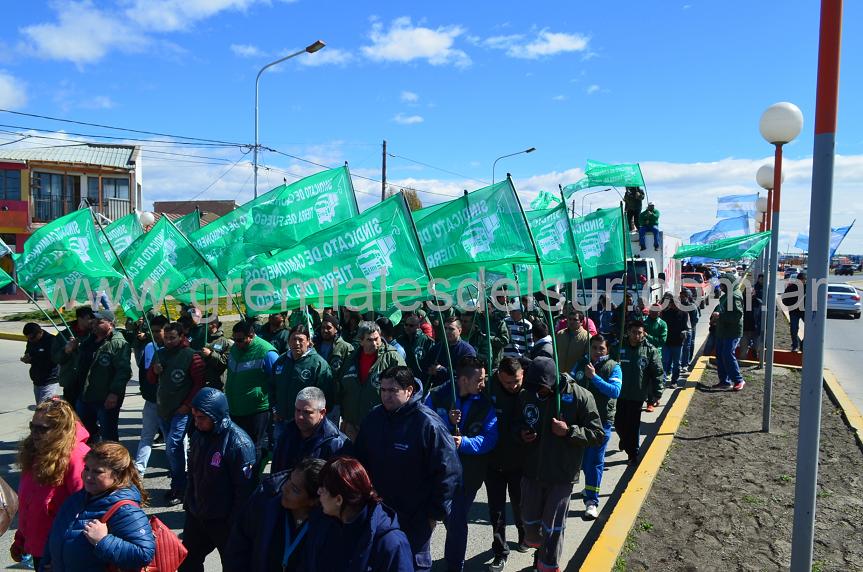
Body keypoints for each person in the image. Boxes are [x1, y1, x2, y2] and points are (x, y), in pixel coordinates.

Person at [354, 365, 461, 571]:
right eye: (383, 390)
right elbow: (359, 460)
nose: (386, 396)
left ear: (409, 390)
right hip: (378, 513)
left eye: (393, 390)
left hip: (415, 518)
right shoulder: (373, 418)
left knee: (412, 564)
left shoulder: (428, 424)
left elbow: (449, 473)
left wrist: (434, 514)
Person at [516, 357, 604, 571]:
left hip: (561, 474)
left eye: (541, 388)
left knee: (553, 526)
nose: (537, 393)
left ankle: (548, 565)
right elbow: (516, 421)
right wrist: (521, 432)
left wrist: (569, 432)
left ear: (551, 381)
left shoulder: (581, 396)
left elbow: (597, 434)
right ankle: (537, 550)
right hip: (532, 471)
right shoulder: (528, 394)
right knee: (529, 521)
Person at [426, 356, 497, 572]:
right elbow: (424, 426)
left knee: (456, 520)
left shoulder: (485, 403)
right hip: (437, 472)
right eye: (479, 380)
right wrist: (447, 423)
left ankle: (455, 565)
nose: (483, 384)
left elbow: (490, 438)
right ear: (464, 380)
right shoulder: (437, 395)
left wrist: (463, 442)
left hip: (467, 476)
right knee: (429, 518)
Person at [42, 441, 155, 571]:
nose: (88, 476)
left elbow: (144, 554)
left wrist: (103, 540)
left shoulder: (126, 510)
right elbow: (53, 534)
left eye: (97, 472)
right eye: (87, 468)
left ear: (117, 475)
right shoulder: (75, 499)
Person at [182, 388, 258, 571]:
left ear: (216, 416)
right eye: (194, 416)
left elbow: (244, 491)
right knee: (186, 561)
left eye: (201, 417)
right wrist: (189, 503)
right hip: (198, 515)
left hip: (223, 521)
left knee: (234, 566)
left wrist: (234, 524)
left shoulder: (239, 444)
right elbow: (192, 473)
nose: (196, 422)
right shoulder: (199, 435)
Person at [11, 399, 89, 570]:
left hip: (61, 550)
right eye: (32, 427)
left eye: (42, 429)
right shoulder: (34, 452)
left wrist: (64, 554)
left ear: (60, 429)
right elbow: (29, 503)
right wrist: (21, 538)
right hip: (40, 547)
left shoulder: (77, 457)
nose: (35, 433)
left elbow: (86, 510)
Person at [306, 456, 414, 571]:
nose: (318, 491)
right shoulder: (324, 526)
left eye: (323, 488)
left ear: (338, 500)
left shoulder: (391, 543)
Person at [225, 457, 325, 572]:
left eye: (295, 489)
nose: (284, 488)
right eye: (289, 479)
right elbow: (238, 546)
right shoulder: (265, 502)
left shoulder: (325, 527)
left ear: (314, 501)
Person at [149, 322, 206, 505]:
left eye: (172, 338)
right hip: (163, 409)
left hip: (181, 410)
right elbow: (150, 379)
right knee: (171, 448)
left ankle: (180, 487)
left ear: (182, 337)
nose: (168, 341)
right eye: (166, 337)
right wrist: (154, 371)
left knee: (173, 446)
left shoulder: (192, 356)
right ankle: (178, 484)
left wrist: (188, 405)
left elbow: (199, 383)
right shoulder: (160, 353)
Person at [571, 335, 622, 519]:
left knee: (594, 462)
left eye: (601, 348)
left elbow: (615, 391)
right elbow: (570, 382)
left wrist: (594, 377)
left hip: (601, 423)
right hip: (580, 421)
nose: (597, 351)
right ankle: (589, 488)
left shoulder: (614, 367)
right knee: (584, 461)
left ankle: (591, 501)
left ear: (607, 350)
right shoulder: (581, 363)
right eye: (594, 347)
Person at [485, 357, 529, 572]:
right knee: (496, 510)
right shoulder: (488, 387)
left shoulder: (528, 391)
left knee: (520, 504)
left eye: (517, 381)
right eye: (508, 382)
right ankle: (500, 551)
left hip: (519, 460)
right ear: (499, 377)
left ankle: (524, 535)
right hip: (492, 461)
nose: (513, 386)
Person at [335, 321, 406, 441]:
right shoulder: (351, 359)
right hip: (351, 425)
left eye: (377, 339)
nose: (374, 343)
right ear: (361, 341)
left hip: (380, 424)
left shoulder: (392, 357)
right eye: (369, 340)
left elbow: (405, 386)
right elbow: (341, 387)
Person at [75, 310, 132, 443]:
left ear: (110, 324)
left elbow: (123, 372)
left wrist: (114, 394)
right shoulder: (89, 340)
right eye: (94, 321)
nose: (94, 324)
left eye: (99, 322)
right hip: (85, 396)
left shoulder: (118, 343)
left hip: (105, 398)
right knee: (85, 434)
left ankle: (112, 457)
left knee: (108, 436)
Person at [225, 320, 279, 461]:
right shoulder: (235, 348)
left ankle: (254, 473)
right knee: (237, 444)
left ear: (251, 336)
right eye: (234, 339)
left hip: (256, 410)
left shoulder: (267, 352)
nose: (236, 343)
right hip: (235, 408)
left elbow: (278, 380)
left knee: (254, 446)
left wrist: (274, 406)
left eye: (240, 340)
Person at [270, 324, 334, 444]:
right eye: (293, 339)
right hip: (282, 421)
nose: (297, 343)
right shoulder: (281, 361)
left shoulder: (318, 364)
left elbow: (327, 395)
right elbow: (272, 387)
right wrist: (274, 409)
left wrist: (315, 417)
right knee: (281, 452)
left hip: (306, 424)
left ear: (308, 341)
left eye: (301, 339)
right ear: (288, 341)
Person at [614, 321, 665, 464]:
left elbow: (657, 373)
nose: (636, 335)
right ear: (628, 332)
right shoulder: (618, 347)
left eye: (639, 333)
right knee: (618, 423)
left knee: (633, 425)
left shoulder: (650, 350)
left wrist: (657, 393)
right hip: (619, 393)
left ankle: (633, 454)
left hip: (637, 394)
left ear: (643, 334)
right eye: (634, 332)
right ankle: (624, 440)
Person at [271, 386, 349, 474]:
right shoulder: (286, 434)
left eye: (307, 412)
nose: (300, 417)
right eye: (298, 410)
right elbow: (275, 475)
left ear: (322, 413)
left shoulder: (337, 445)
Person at [134, 315, 169, 475]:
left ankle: (178, 469)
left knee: (173, 439)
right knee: (146, 435)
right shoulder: (149, 347)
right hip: (152, 400)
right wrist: (145, 390)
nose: (155, 334)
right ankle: (139, 470)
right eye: (152, 331)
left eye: (157, 331)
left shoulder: (174, 349)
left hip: (170, 402)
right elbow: (144, 371)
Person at [50, 306, 95, 406]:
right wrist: (66, 351)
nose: (92, 321)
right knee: (72, 412)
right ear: (80, 319)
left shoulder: (95, 334)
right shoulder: (63, 335)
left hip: (90, 383)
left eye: (93, 318)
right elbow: (55, 358)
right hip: (71, 382)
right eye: (89, 318)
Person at [422, 317, 477, 390]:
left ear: (459, 331)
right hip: (437, 391)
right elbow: (426, 367)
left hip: (458, 391)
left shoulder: (467, 351)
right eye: (445, 328)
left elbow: (467, 375)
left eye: (451, 329)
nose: (447, 331)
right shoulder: (437, 348)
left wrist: (442, 370)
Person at [713, 275, 746, 391]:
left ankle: (738, 380)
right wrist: (717, 314)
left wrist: (720, 316)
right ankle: (724, 381)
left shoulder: (734, 296)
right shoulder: (728, 295)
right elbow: (721, 307)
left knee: (727, 354)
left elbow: (736, 316)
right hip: (723, 330)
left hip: (732, 332)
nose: (720, 287)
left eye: (722, 284)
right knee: (720, 354)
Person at [22, 323, 60, 404]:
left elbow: (53, 360)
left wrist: (33, 359)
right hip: (37, 380)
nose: (30, 340)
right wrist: (27, 357)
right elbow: (28, 352)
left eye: (32, 338)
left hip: (49, 380)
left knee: (44, 408)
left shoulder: (51, 340)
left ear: (40, 332)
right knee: (40, 407)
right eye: (28, 338)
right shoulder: (31, 340)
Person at [660, 294, 690, 388]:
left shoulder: (684, 314)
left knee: (677, 364)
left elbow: (687, 328)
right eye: (672, 303)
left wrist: (684, 332)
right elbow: (661, 325)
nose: (673, 305)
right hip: (666, 343)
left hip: (678, 343)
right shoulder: (665, 313)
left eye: (675, 303)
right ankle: (663, 381)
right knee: (664, 362)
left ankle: (674, 381)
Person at [396, 312, 435, 380]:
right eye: (406, 325)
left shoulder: (426, 341)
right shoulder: (400, 340)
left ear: (418, 326)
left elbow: (432, 361)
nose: (407, 327)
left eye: (411, 325)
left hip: (421, 378)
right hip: (404, 377)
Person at [200, 317, 233, 390]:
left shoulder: (224, 342)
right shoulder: (201, 339)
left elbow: (225, 362)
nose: (202, 327)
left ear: (213, 325)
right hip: (201, 382)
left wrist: (210, 354)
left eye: (204, 324)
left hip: (217, 383)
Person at [555, 310, 590, 375]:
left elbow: (586, 359)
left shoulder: (587, 337)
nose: (571, 322)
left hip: (575, 375)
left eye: (575, 320)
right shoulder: (560, 334)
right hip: (559, 373)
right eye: (570, 319)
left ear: (581, 322)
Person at [782, 272, 806, 353]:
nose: (803, 281)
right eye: (801, 280)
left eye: (803, 280)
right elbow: (784, 298)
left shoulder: (808, 288)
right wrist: (790, 305)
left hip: (805, 312)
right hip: (794, 312)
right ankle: (795, 346)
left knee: (810, 329)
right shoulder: (791, 287)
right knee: (794, 329)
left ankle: (803, 345)